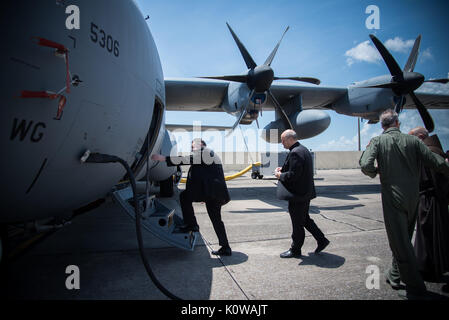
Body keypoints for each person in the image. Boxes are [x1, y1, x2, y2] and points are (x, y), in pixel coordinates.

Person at [359, 109, 449, 299]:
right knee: (404, 239)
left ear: (383, 126)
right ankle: (394, 273)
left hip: (393, 198)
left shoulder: (377, 141)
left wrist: (375, 171)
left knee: (399, 242)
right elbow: (436, 162)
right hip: (414, 198)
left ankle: (415, 288)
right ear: (397, 123)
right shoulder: (415, 141)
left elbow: (365, 165)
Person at [151, 139, 232, 256]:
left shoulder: (205, 152)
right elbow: (204, 176)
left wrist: (164, 159)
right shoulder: (206, 155)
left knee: (184, 196)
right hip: (213, 194)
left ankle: (192, 225)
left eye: (193, 146)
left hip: (212, 194)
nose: (191, 148)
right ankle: (225, 247)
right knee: (216, 220)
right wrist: (205, 194)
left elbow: (187, 159)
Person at [274, 129, 330, 258]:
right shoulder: (303, 150)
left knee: (297, 223)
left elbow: (293, 175)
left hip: (298, 195)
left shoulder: (295, 152)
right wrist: (284, 169)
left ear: (289, 139)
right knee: (304, 219)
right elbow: (298, 168)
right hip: (305, 193)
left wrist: (279, 175)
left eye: (283, 141)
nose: (282, 143)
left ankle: (295, 249)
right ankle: (322, 240)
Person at [408, 127, 449, 285]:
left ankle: (429, 268)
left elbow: (440, 179)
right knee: (430, 235)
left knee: (429, 234)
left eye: (413, 139)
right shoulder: (432, 151)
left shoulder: (430, 152)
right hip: (430, 198)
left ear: (420, 137)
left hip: (430, 199)